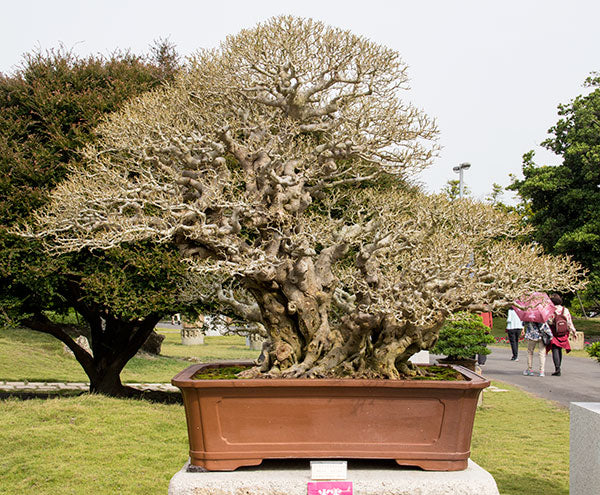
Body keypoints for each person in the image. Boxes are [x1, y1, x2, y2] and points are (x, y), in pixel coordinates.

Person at [546, 294, 577, 376]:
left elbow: (549, 321)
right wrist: (574, 331)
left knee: (555, 349)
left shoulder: (550, 310)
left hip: (554, 332)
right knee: (559, 349)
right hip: (563, 332)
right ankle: (559, 366)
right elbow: (569, 322)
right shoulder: (565, 310)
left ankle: (557, 368)